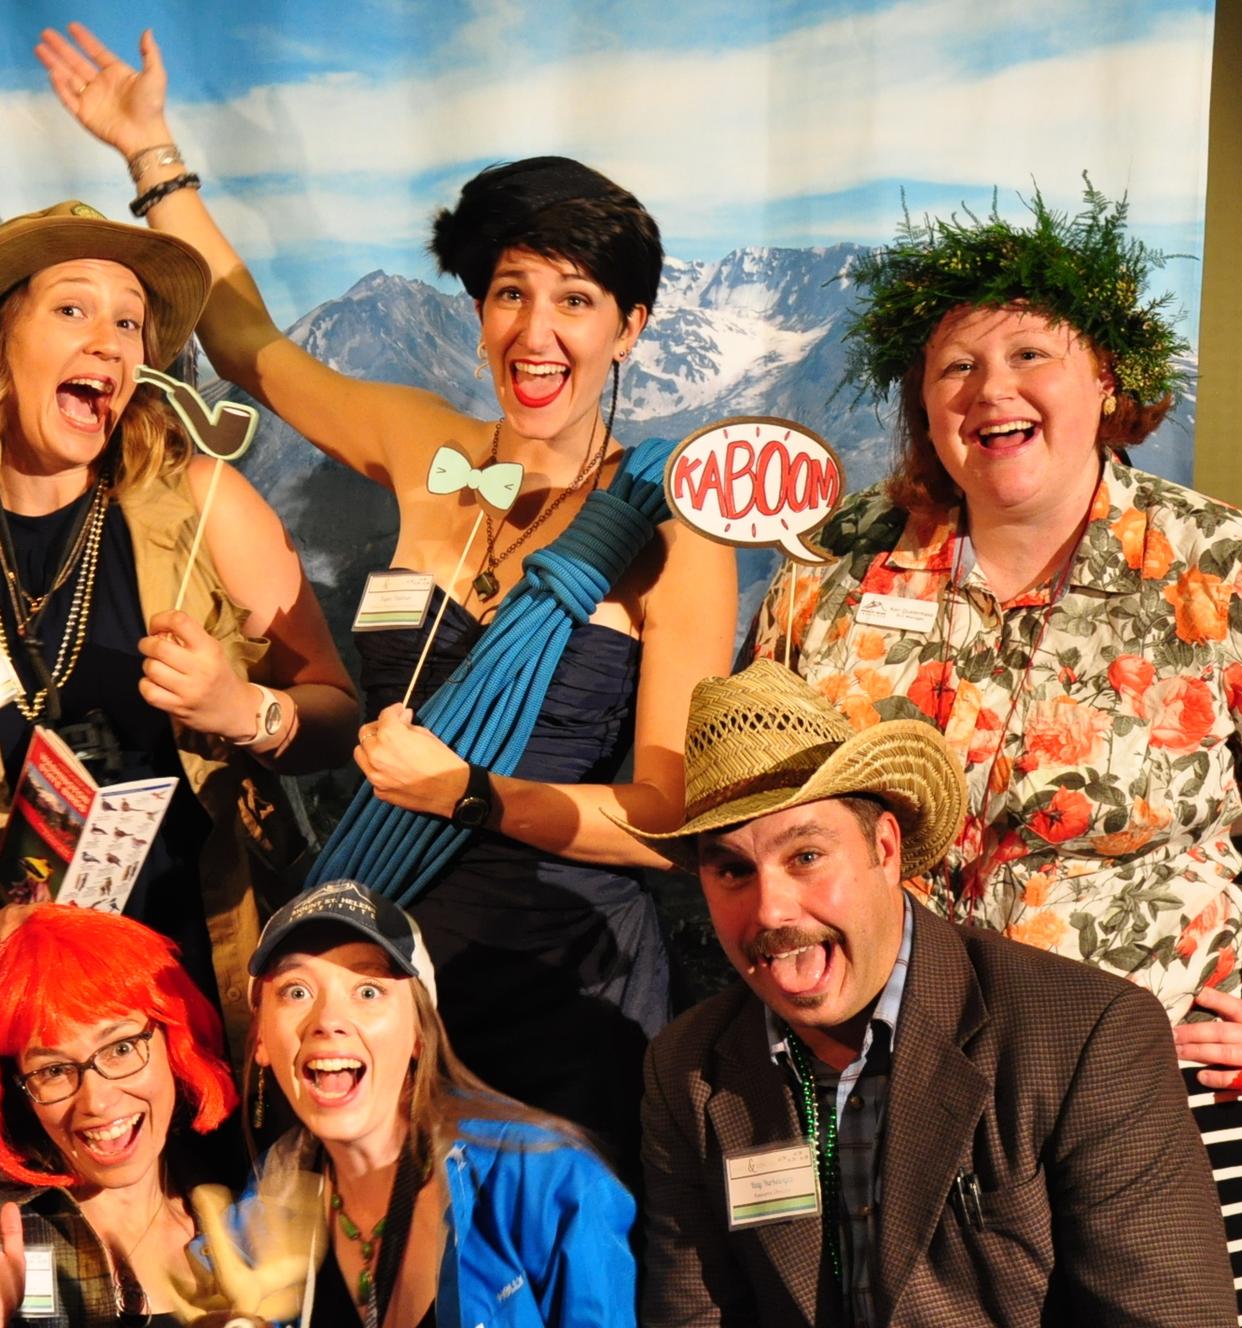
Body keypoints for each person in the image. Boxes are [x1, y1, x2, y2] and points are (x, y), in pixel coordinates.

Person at [41, 22, 737, 1165]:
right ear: (477, 310)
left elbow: (665, 821)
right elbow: (249, 345)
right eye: (510, 293)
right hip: (371, 984)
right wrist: (150, 152)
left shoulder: (669, 530)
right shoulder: (422, 442)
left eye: (574, 299)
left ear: (629, 328)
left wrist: (466, 792)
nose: (536, 329)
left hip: (557, 988)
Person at [752, 183, 1242, 1323]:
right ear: (922, 406)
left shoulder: (1226, 571)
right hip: (895, 1103)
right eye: (953, 365)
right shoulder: (833, 576)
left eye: (1028, 353)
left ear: (1105, 381)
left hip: (1170, 1103)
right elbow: (765, 823)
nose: (990, 388)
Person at [0, 200, 358, 1074]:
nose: (111, 341)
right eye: (72, 309)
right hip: (22, 1017)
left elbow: (336, 712)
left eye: (128, 322)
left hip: (197, 987)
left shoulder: (205, 504)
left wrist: (245, 710)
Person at [621, 663, 1235, 1325]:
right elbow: (692, 1315)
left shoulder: (1084, 1038)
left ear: (884, 849)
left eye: (805, 857)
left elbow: (1167, 1314)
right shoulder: (688, 1068)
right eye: (734, 870)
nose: (770, 910)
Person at [229, 878, 636, 1328]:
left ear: (420, 1034)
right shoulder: (271, 1197)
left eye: (368, 991)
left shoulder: (544, 1179)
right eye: (296, 991)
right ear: (261, 1038)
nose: (328, 1020)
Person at [0, 903, 245, 1326]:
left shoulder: (249, 1208)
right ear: (20, 1092)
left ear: (175, 1042)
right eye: (53, 1070)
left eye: (121, 1048)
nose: (96, 1101)